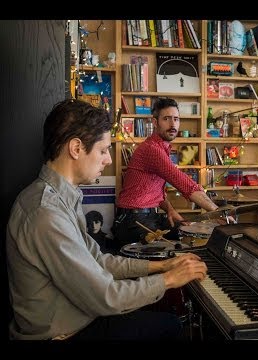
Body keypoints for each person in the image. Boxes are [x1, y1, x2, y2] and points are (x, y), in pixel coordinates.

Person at [5, 99, 207, 340]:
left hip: (78, 319)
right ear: (76, 148)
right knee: (171, 325)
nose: (109, 159)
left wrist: (161, 266)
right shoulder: (46, 213)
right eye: (103, 150)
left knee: (159, 315)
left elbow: (98, 260)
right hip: (63, 334)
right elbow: (106, 297)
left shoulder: (61, 198)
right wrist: (169, 279)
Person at [113, 97, 220, 251]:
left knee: (187, 234)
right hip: (133, 221)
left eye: (176, 119)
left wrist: (170, 209)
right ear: (155, 122)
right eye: (166, 119)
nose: (172, 124)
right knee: (183, 248)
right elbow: (184, 183)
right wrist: (217, 212)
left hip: (146, 216)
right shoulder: (152, 150)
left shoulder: (161, 147)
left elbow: (153, 190)